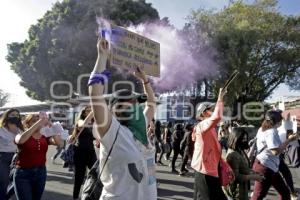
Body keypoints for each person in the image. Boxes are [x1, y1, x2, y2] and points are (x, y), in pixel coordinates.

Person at [89, 38, 157, 200]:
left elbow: (152, 103)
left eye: (136, 102)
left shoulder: (140, 128)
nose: (136, 106)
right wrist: (102, 56)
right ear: (115, 109)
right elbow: (95, 94)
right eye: (130, 103)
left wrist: (145, 80)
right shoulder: (111, 131)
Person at [251, 110, 299, 200]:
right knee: (257, 196)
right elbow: (275, 151)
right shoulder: (271, 131)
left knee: (285, 193)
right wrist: (289, 140)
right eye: (280, 119)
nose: (281, 121)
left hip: (269, 166)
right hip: (265, 167)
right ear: (275, 121)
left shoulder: (262, 129)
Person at [13, 113, 62, 200]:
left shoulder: (44, 136)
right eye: (34, 121)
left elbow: (59, 143)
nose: (39, 123)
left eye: (39, 121)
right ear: (27, 124)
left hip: (41, 172)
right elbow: (20, 140)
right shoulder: (20, 135)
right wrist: (39, 122)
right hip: (23, 174)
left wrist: (51, 127)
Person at [191, 88, 227, 200]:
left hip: (208, 169)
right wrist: (220, 97)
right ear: (204, 113)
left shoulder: (209, 127)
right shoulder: (203, 125)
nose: (214, 110)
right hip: (205, 170)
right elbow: (217, 117)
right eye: (211, 109)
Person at [224, 127, 264, 200]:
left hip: (242, 190)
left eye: (245, 139)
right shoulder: (233, 155)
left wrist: (254, 173)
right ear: (235, 139)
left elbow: (243, 168)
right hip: (236, 192)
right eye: (242, 139)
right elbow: (235, 177)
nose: (244, 141)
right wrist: (254, 177)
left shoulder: (239, 150)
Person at [68, 106, 97, 200]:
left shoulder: (94, 123)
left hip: (91, 151)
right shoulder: (80, 121)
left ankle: (91, 195)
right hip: (80, 151)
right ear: (84, 113)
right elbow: (81, 126)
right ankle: (76, 197)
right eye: (88, 111)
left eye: (91, 111)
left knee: (96, 173)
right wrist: (92, 114)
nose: (90, 112)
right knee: (79, 177)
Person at [0, 108, 24, 200]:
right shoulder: (1, 129)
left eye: (17, 115)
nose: (15, 117)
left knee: (18, 181)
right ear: (7, 116)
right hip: (3, 157)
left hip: (18, 157)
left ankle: (6, 196)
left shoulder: (20, 129)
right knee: (3, 182)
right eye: (12, 115)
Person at [277, 114, 298, 200]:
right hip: (270, 158)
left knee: (286, 174)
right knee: (270, 177)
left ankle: (292, 193)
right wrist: (289, 140)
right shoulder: (278, 132)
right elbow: (277, 150)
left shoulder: (280, 130)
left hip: (277, 157)